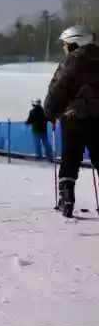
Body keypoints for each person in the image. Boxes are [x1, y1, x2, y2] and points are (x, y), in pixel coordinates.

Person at [43, 26, 99, 217]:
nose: (64, 48)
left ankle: (67, 199)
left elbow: (59, 89)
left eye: (65, 44)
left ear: (75, 43)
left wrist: (50, 112)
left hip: (74, 117)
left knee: (70, 157)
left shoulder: (71, 62)